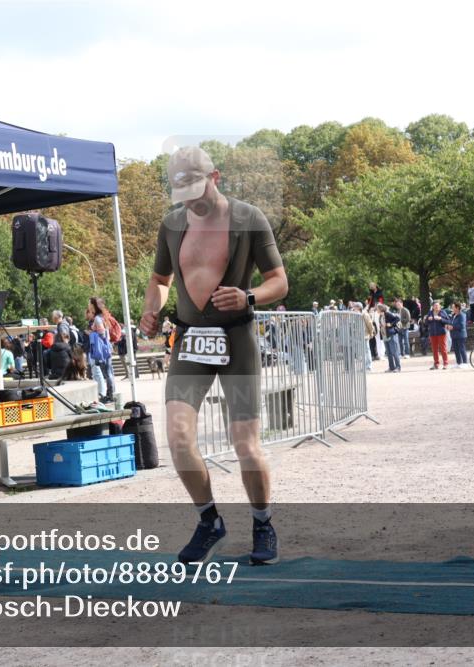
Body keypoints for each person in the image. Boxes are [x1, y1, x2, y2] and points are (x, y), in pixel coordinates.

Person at [139, 146, 288, 566]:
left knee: (246, 444)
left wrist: (249, 295)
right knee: (179, 436)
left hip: (236, 338)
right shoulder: (171, 223)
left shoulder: (249, 219)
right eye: (180, 191)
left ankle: (262, 522)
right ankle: (209, 521)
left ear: (215, 177)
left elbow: (279, 280)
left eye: (195, 189)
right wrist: (152, 309)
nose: (188, 200)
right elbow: (159, 279)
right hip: (190, 340)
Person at [87, 297, 119, 402]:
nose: (89, 306)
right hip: (107, 347)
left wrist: (92, 333)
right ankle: (111, 394)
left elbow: (101, 332)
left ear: (94, 306)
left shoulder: (97, 318)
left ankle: (110, 395)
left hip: (102, 349)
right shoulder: (103, 316)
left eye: (90, 304)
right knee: (109, 372)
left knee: (107, 373)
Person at [422, 301, 451, 370]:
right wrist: (428, 319)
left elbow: (448, 321)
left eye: (438, 305)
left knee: (443, 349)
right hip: (432, 334)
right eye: (435, 306)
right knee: (434, 350)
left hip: (441, 333)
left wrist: (441, 319)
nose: (437, 307)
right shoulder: (430, 313)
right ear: (433, 306)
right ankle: (436, 364)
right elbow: (425, 323)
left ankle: (445, 364)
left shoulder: (442, 312)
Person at [377, 303, 402, 372]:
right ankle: (391, 367)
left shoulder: (387, 313)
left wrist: (390, 324)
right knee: (388, 353)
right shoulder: (380, 316)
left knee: (394, 351)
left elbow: (398, 318)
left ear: (381, 308)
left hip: (391, 334)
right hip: (385, 335)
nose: (376, 310)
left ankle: (398, 367)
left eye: (377, 308)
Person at [353, 302, 374, 372]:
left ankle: (369, 366)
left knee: (367, 351)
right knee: (363, 352)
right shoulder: (356, 314)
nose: (353, 308)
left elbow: (369, 323)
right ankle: (365, 366)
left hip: (364, 335)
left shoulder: (365, 314)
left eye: (355, 307)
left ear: (358, 307)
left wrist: (371, 332)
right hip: (359, 335)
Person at [449, 302, 468, 369]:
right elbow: (451, 323)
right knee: (456, 349)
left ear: (457, 308)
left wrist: (452, 327)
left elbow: (462, 325)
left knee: (462, 349)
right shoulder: (453, 315)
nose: (452, 308)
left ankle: (465, 363)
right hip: (454, 335)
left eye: (453, 307)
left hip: (461, 335)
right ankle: (458, 363)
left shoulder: (462, 315)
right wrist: (448, 325)